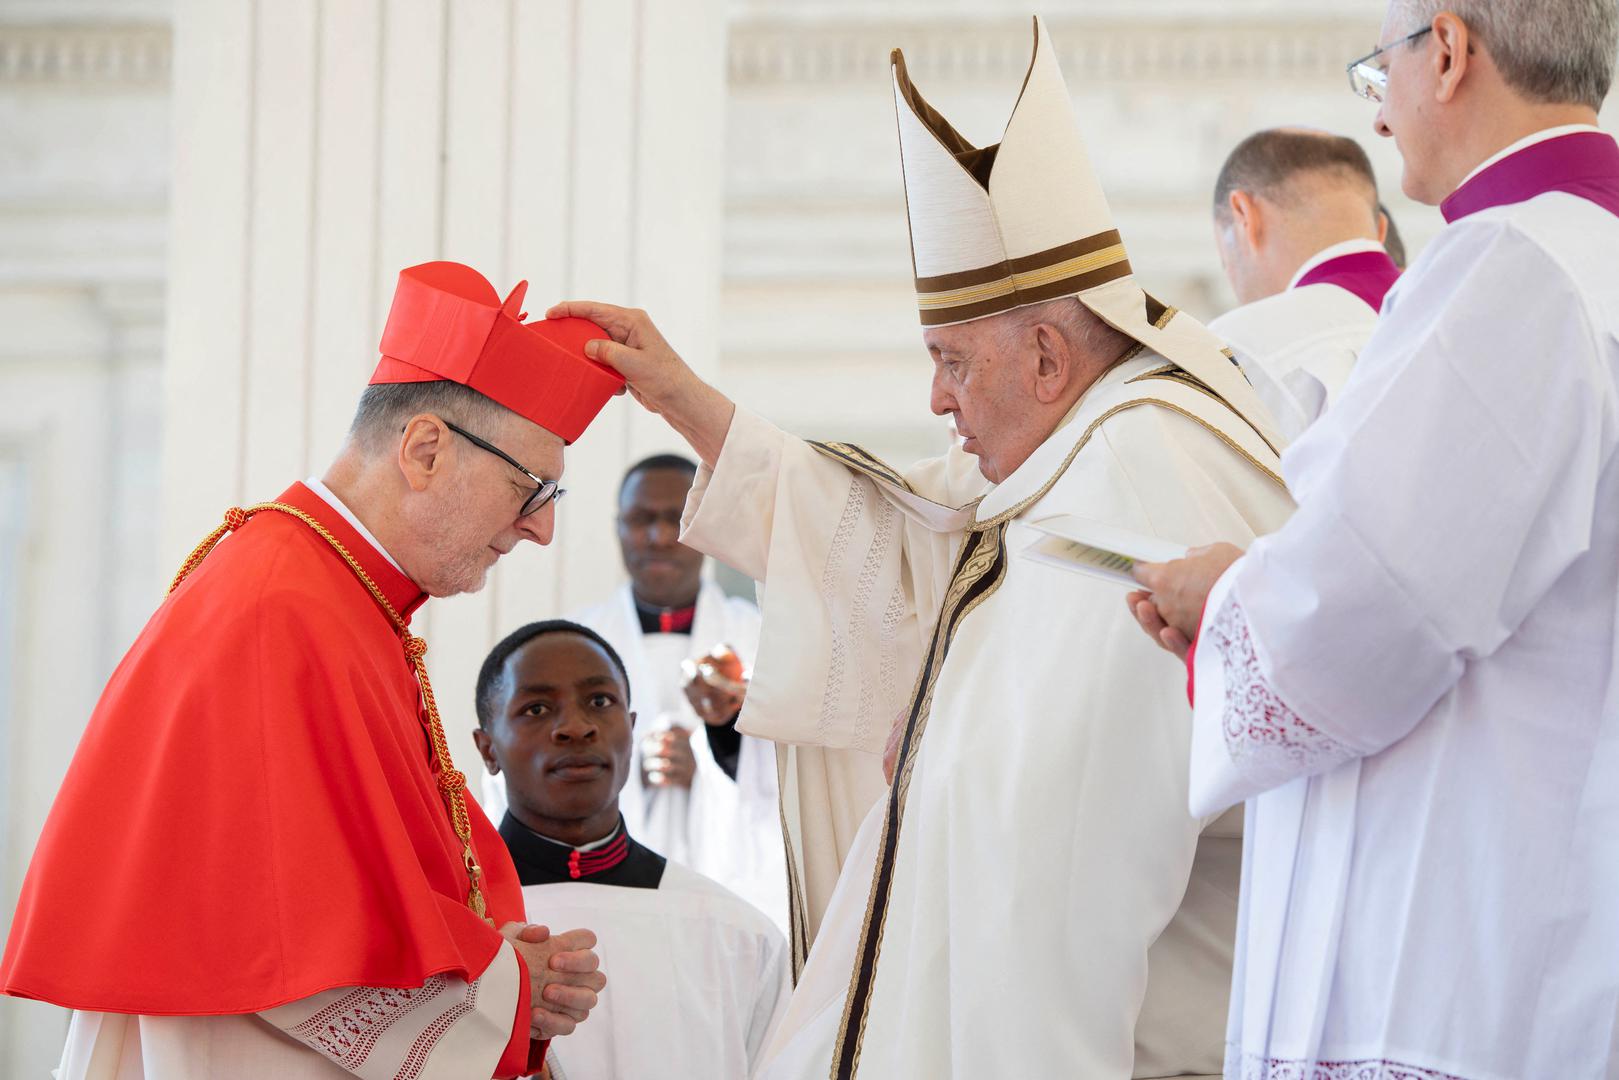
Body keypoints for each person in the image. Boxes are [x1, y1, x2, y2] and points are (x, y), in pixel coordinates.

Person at [552, 17, 1295, 1079]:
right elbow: (906, 526)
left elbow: (1060, 878)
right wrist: (686, 403)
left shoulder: (1128, 485)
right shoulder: (1087, 454)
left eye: (949, 359)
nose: (935, 400)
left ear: (1045, 354)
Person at [1128, 1, 1619, 1075]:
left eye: (1377, 71)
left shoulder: (1514, 268)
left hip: (1451, 944)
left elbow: (1370, 604)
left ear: (1445, 52)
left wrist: (1223, 600)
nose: (1379, 115)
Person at [0, 262, 620, 1078]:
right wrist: (503, 987)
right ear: (426, 448)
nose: (538, 530)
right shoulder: (281, 606)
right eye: (528, 487)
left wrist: (500, 972)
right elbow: (269, 928)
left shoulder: (334, 590)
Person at [480, 455, 787, 933]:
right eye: (641, 519)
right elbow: (512, 776)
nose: (659, 536)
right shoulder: (571, 643)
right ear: (619, 528)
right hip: (596, 902)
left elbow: (796, 779)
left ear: (704, 526)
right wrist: (617, 760)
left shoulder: (764, 640)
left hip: (734, 899)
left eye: (676, 518)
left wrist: (716, 750)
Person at [473, 620, 790, 1079]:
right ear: (488, 749)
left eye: (600, 702)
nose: (576, 727)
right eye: (537, 708)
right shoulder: (454, 926)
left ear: (632, 727)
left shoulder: (736, 935)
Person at [1209, 128, 1403, 441]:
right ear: (1380, 229)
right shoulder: (1453, 305)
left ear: (1245, 216)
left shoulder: (1237, 348)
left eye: (1224, 258)